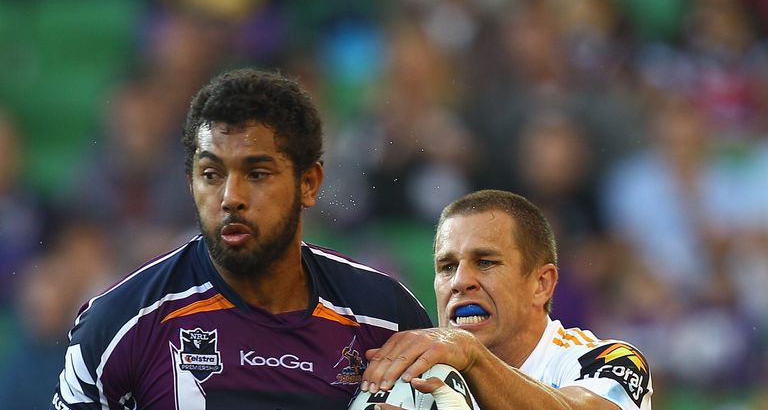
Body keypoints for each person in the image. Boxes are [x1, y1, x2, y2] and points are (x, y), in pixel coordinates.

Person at [50, 68, 432, 409]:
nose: (231, 197)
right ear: (190, 183)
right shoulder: (120, 323)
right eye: (211, 174)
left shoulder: (386, 317)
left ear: (309, 183)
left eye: (257, 173)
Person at [359, 189, 653, 410]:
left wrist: (472, 355)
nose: (461, 282)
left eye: (485, 262)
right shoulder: (409, 383)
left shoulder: (608, 361)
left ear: (541, 284)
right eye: (447, 267)